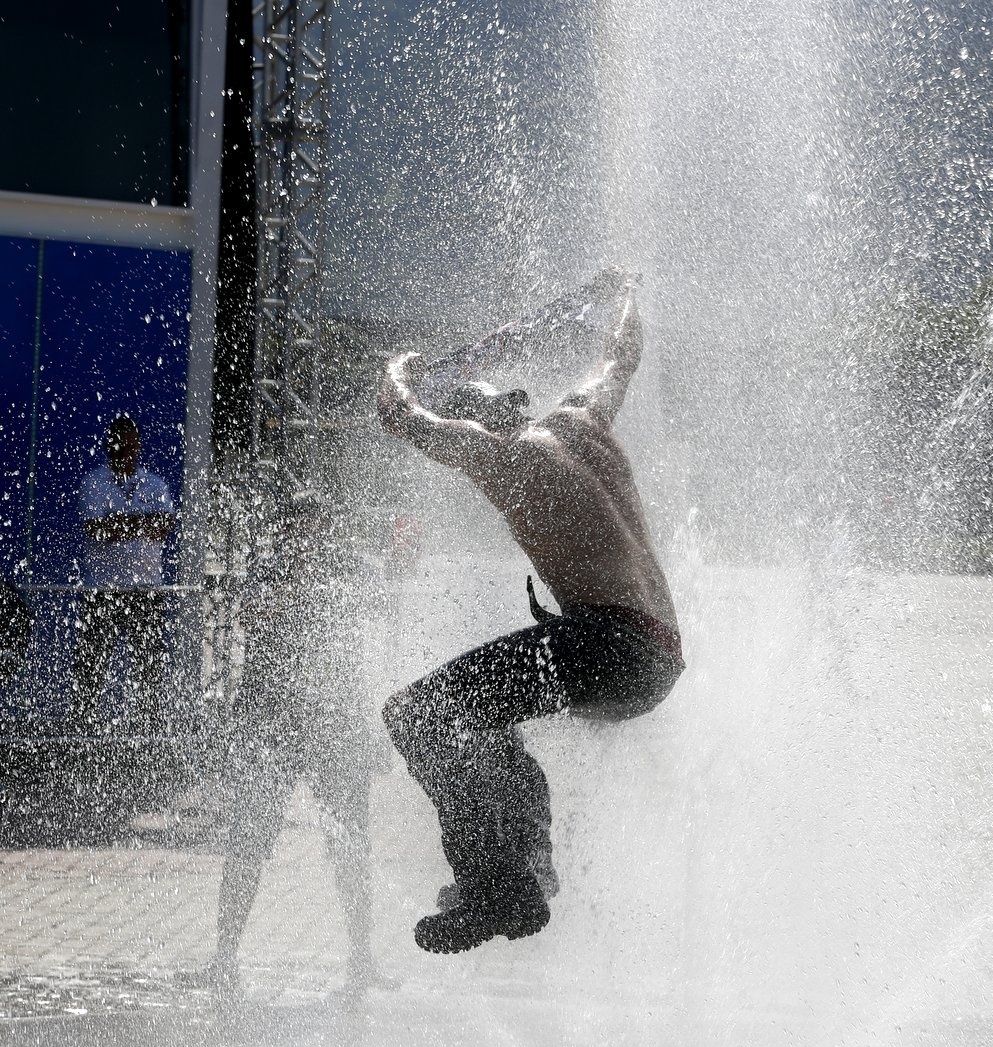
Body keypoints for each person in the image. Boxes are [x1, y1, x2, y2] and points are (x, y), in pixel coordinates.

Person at [377, 270, 685, 955]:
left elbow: (401, 417)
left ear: (480, 423)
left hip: (606, 644)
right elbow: (619, 356)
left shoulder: (499, 459)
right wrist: (627, 290)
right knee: (487, 721)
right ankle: (527, 867)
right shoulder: (581, 417)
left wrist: (395, 369)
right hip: (658, 660)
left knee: (416, 714)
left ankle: (492, 882)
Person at [207, 503, 376, 999]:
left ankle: (363, 956)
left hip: (331, 726)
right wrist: (241, 727)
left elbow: (351, 658)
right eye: (301, 527)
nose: (309, 536)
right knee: (247, 842)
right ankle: (223, 955)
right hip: (275, 726)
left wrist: (365, 729)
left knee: (351, 842)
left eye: (317, 526)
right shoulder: (269, 575)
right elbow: (256, 653)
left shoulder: (340, 575)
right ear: (289, 532)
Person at [72, 415, 176, 729]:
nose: (125, 450)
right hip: (102, 589)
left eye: (131, 444)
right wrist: (140, 523)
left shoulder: (154, 483)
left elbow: (164, 529)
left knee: (150, 665)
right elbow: (96, 530)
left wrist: (120, 523)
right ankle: (83, 725)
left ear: (138, 446)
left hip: (145, 589)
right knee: (92, 663)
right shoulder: (94, 482)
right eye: (119, 444)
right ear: (109, 446)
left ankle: (153, 728)